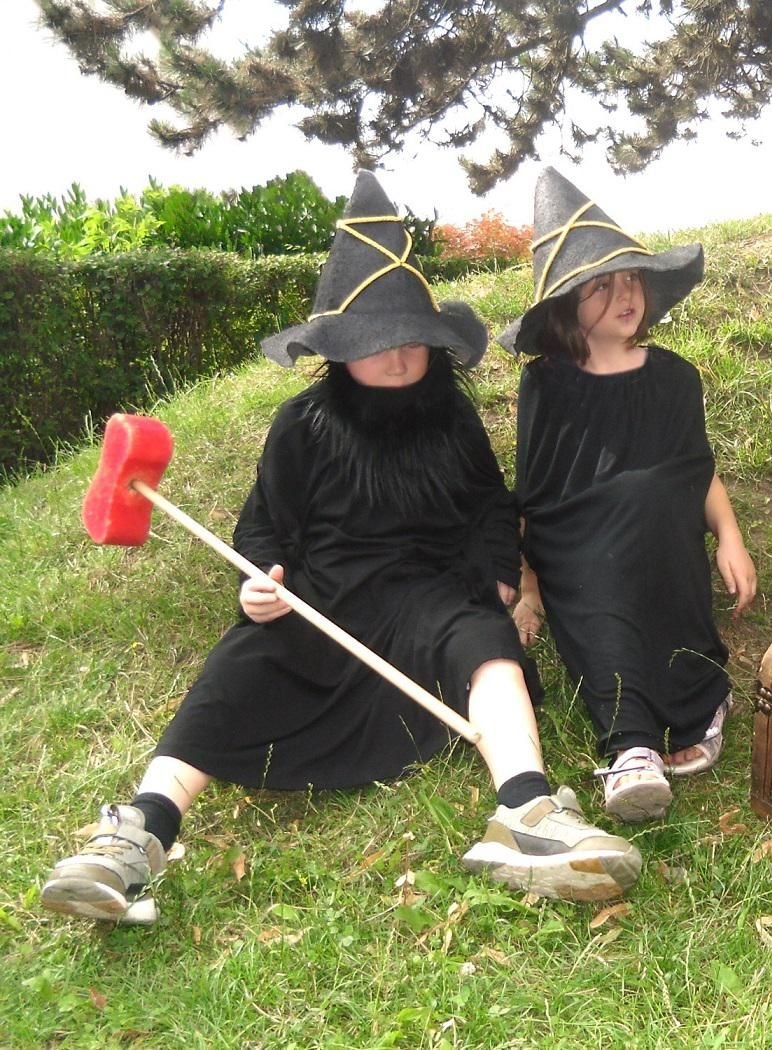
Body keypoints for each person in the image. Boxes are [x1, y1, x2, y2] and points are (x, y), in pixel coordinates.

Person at [40, 172, 640, 925]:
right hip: (321, 600)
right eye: (373, 342)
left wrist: (495, 579)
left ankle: (528, 811)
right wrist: (261, 583)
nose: (397, 357)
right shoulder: (303, 423)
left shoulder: (453, 420)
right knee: (237, 664)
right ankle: (139, 832)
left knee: (489, 650)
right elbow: (264, 526)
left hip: (432, 597)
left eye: (410, 339)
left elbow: (492, 505)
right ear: (338, 348)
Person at [498, 167, 757, 823]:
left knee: (647, 496)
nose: (625, 295)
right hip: (580, 549)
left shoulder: (675, 378)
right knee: (600, 576)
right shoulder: (546, 383)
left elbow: (696, 470)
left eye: (632, 279)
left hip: (662, 540)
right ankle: (632, 745)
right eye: (601, 285)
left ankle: (702, 698)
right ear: (565, 305)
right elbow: (536, 491)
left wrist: (729, 537)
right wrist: (530, 587)